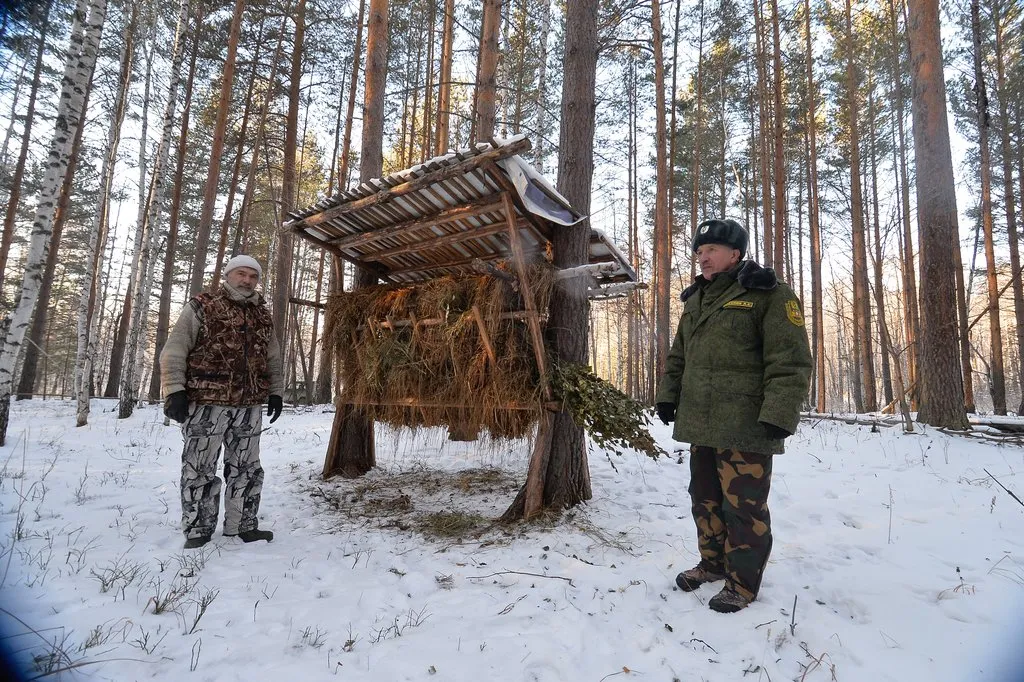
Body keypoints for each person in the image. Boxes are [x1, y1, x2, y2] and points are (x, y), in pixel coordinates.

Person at [655, 218, 811, 613]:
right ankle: (712, 565)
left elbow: (791, 362)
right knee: (704, 499)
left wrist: (779, 413)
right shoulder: (696, 299)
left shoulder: (769, 295)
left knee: (743, 508)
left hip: (746, 424)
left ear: (735, 254)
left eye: (711, 251)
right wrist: (668, 396)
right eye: (699, 252)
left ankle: (742, 584)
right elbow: (679, 356)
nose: (703, 258)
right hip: (701, 421)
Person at [160, 255, 284, 549]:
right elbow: (175, 349)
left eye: (253, 276)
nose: (247, 280)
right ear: (228, 276)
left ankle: (242, 526)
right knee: (199, 467)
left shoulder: (262, 315)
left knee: (247, 468)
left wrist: (276, 392)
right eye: (241, 274)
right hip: (206, 402)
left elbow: (273, 358)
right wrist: (174, 390)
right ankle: (198, 529)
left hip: (249, 405)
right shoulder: (202, 306)